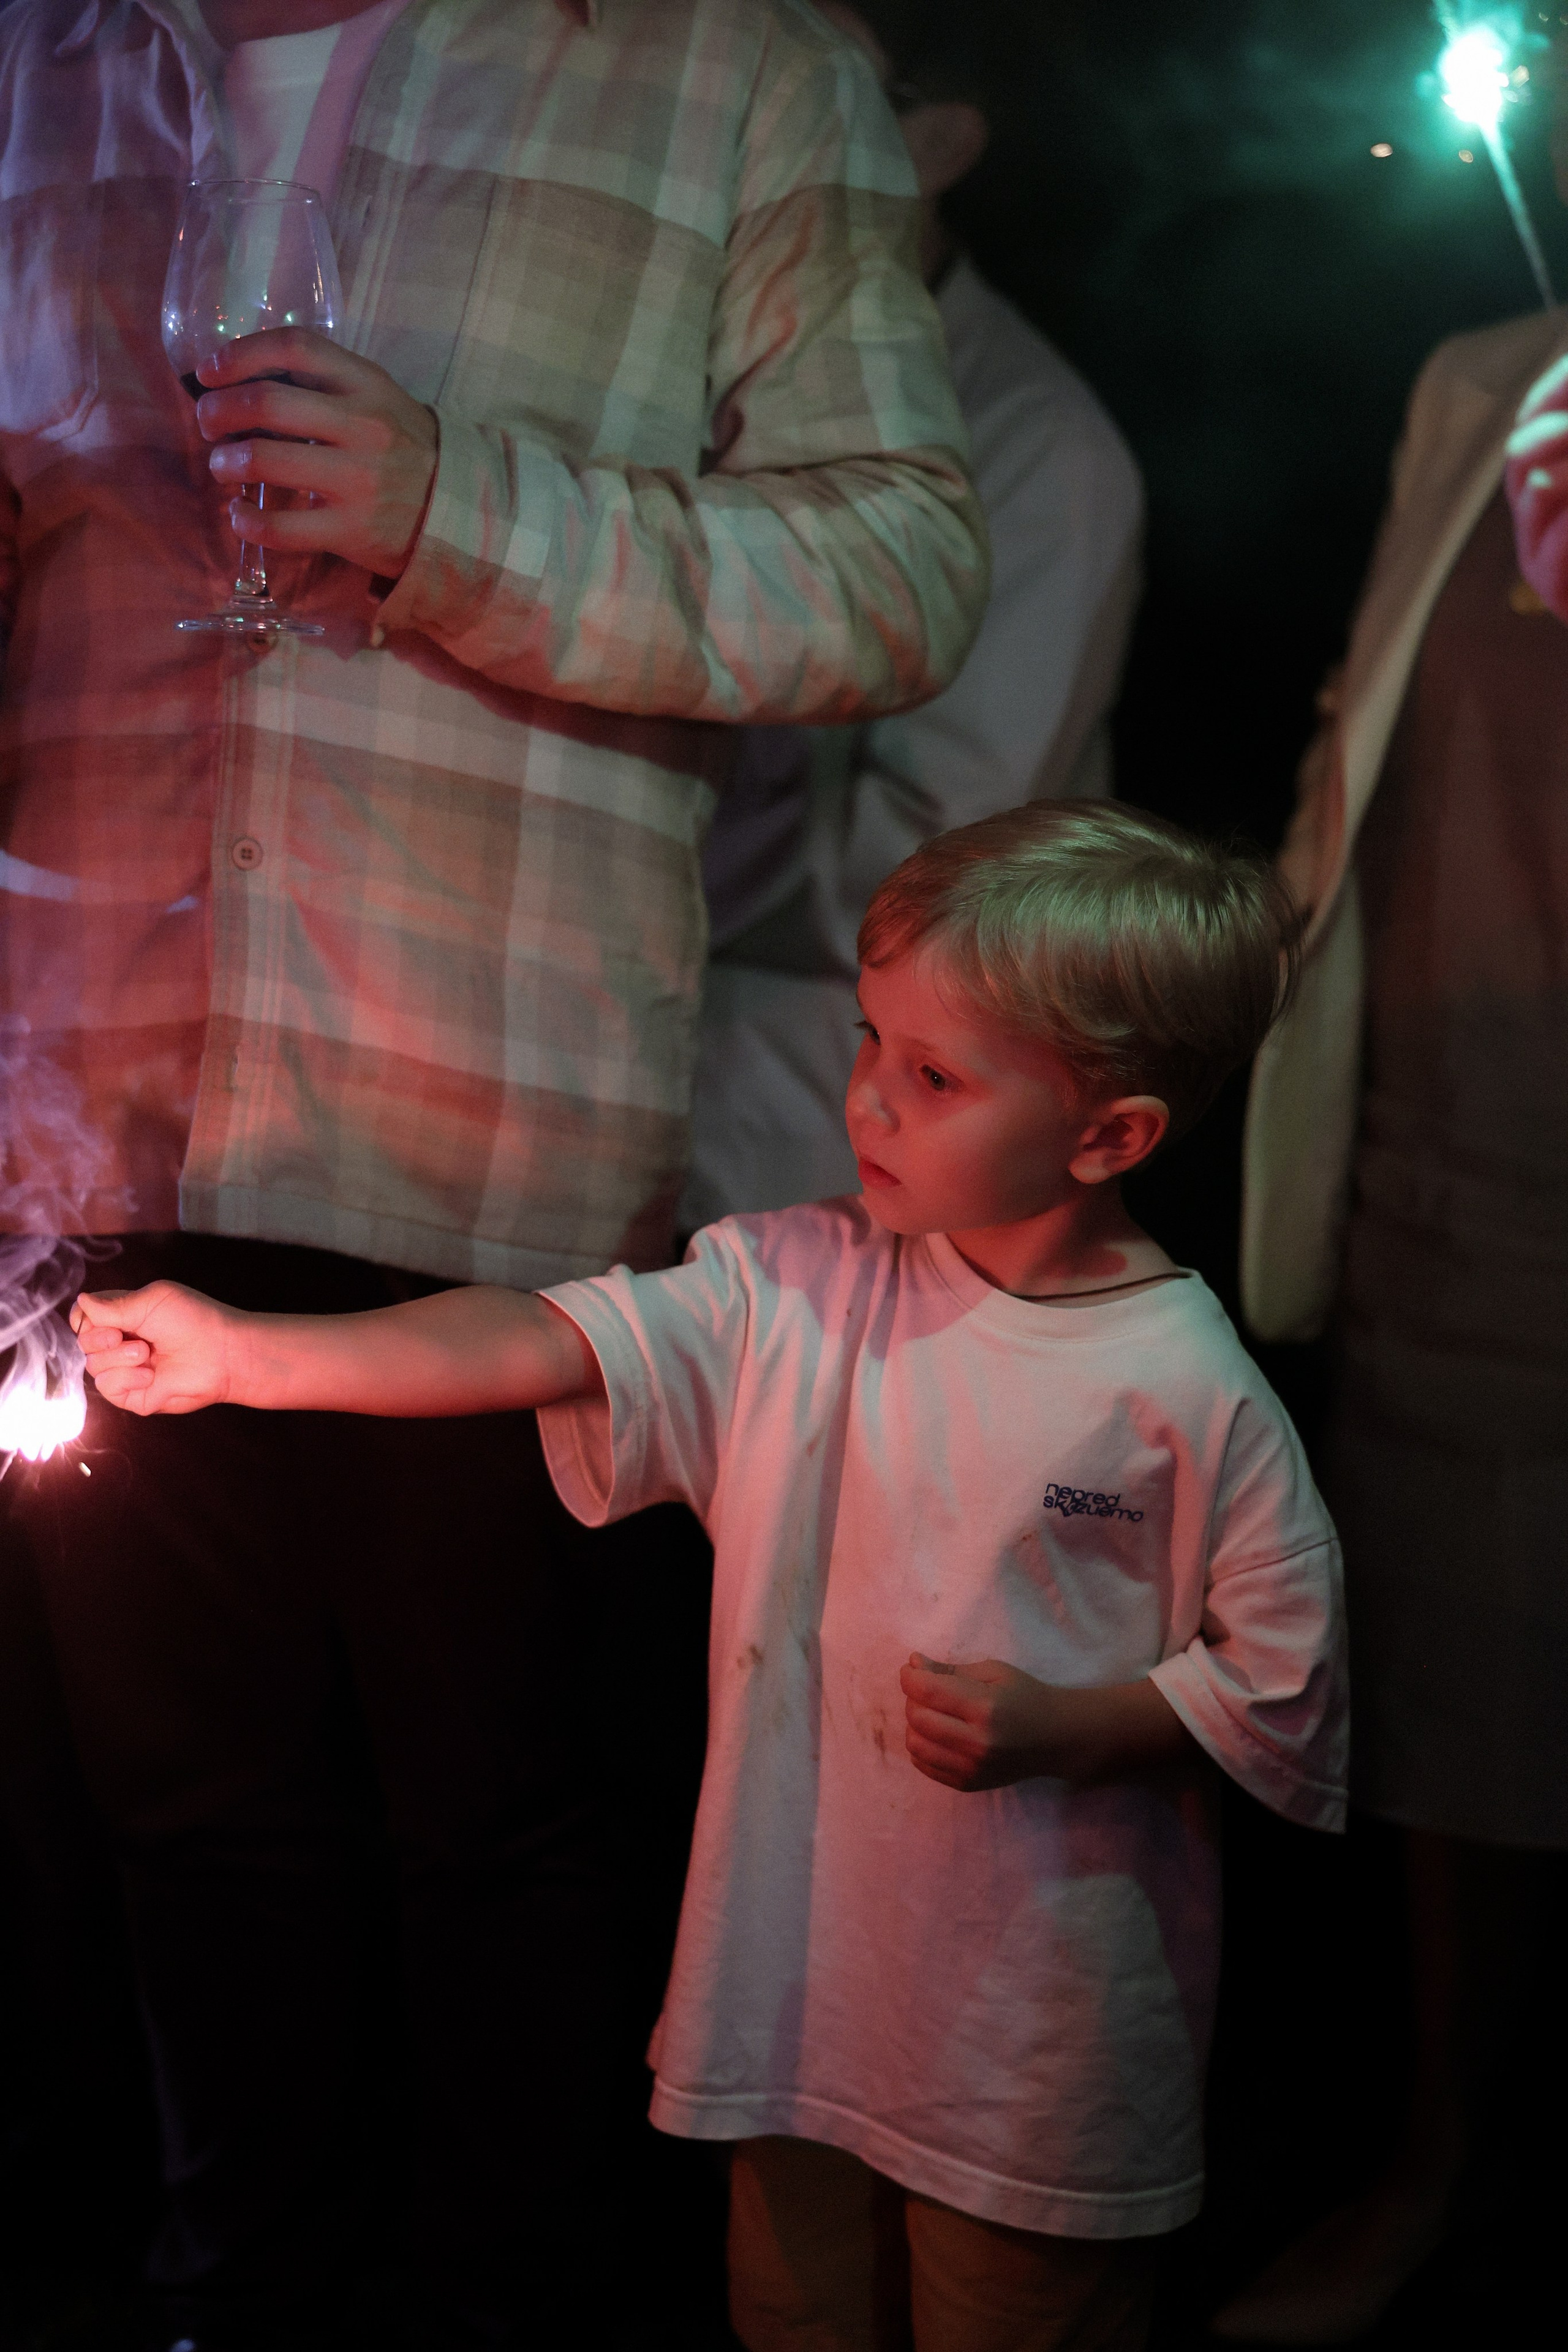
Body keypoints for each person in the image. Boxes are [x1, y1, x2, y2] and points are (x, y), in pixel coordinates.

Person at [0, 1, 989, 2345]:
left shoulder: (717, 59)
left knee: (502, 1853)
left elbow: (907, 574)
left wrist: (469, 516)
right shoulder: (46, 54)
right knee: (177, 1843)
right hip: (75, 1138)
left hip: (485, 1148)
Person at [75, 801, 1349, 2352]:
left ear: (1109, 1135)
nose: (866, 1099)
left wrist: (1068, 1727)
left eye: (933, 1077)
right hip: (794, 2002)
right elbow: (547, 1338)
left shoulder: (1179, 1383)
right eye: (872, 1039)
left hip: (1028, 2061)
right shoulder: (792, 1283)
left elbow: (1283, 1675)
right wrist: (246, 1354)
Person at [1221, 58, 1568, 2337]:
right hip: (1474, 1181)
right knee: (1451, 1727)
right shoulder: (1484, 377)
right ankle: (1447, 2168)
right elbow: (1362, 763)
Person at [685, 0, 1142, 1223]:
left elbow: (933, 867)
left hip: (804, 1134)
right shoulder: (699, 350)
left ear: (941, 146)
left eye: (818, 86)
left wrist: (624, 880)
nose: (753, 120)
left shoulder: (1039, 448)